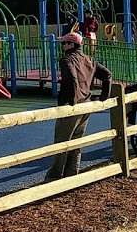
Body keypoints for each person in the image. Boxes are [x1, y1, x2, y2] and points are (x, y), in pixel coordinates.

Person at [45, 32, 112, 181]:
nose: (62, 46)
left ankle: (55, 177)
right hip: (86, 105)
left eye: (64, 43)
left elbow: (71, 77)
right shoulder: (89, 60)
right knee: (77, 141)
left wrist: (70, 100)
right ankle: (72, 173)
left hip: (72, 106)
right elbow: (107, 75)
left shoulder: (67, 59)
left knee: (62, 142)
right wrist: (103, 97)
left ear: (71, 45)